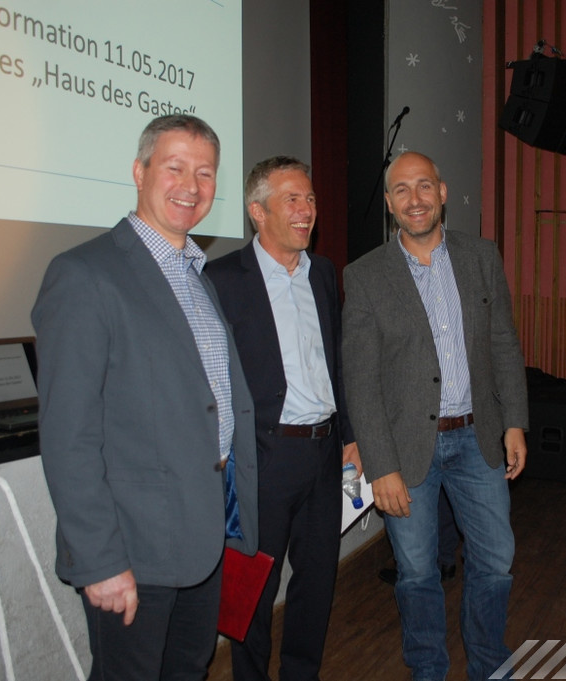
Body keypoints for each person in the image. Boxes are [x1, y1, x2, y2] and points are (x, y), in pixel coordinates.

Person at [32, 114, 258, 680]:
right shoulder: (84, 274)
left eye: (205, 173)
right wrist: (100, 560)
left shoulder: (197, 278)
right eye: (175, 167)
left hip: (202, 537)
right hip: (133, 550)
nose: (192, 186)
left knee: (189, 670)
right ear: (139, 171)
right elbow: (68, 438)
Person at [342, 151, 529, 680]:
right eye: (401, 190)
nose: (415, 199)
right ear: (388, 203)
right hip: (405, 451)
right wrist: (381, 465)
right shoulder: (365, 275)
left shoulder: (481, 257)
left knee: (495, 561)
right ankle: (428, 670)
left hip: (478, 438)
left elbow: (503, 342)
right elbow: (361, 379)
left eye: (424, 186)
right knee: (417, 572)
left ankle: (489, 665)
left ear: (442, 193)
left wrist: (515, 421)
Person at [205, 156, 358, 681]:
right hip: (263, 457)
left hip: (323, 454)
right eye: (292, 199)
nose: (307, 209)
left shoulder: (324, 272)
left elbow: (336, 360)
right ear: (258, 211)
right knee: (253, 588)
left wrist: (349, 435)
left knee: (316, 584)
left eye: (310, 199)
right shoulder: (223, 278)